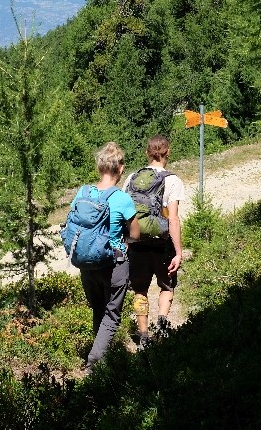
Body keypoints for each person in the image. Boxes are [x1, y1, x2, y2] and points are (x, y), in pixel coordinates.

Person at [75, 142, 139, 372]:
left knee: (98, 310)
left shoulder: (82, 193)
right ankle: (95, 364)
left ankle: (100, 356)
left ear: (99, 166)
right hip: (114, 263)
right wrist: (126, 243)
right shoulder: (122, 199)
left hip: (87, 265)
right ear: (120, 169)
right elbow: (135, 233)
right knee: (112, 314)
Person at [127, 135, 185, 347]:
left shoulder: (132, 177)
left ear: (147, 153)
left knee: (140, 290)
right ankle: (161, 325)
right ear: (167, 153)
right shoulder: (172, 181)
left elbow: (125, 214)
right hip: (162, 245)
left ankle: (143, 336)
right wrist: (178, 252)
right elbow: (173, 219)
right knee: (166, 287)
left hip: (136, 244)